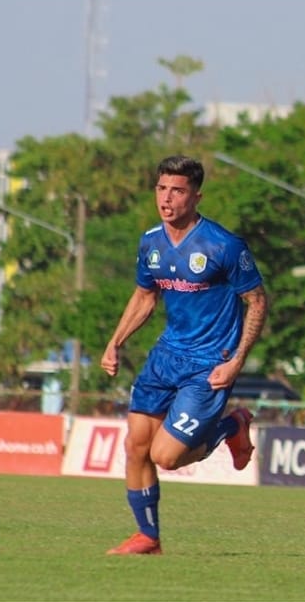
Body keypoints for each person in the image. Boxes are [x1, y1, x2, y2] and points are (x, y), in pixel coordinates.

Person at [100, 154, 268, 555]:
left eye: (177, 190)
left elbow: (258, 302)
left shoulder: (224, 245)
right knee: (136, 447)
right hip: (166, 357)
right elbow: (145, 296)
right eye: (161, 188)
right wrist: (115, 341)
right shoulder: (151, 242)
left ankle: (232, 425)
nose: (166, 198)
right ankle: (148, 536)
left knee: (166, 457)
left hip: (209, 364)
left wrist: (236, 361)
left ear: (196, 196)